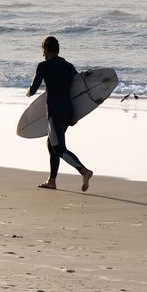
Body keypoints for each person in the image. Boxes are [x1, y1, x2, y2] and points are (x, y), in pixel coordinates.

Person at [26, 35, 93, 192]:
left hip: (55, 112)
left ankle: (84, 171)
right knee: (52, 145)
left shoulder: (44, 66)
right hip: (68, 111)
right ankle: (52, 181)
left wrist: (28, 93)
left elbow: (34, 89)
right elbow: (79, 90)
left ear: (45, 50)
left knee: (59, 148)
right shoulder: (68, 66)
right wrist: (76, 116)